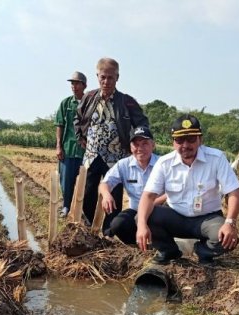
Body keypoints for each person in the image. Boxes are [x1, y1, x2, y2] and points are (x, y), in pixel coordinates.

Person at [136, 114, 239, 265]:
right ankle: (169, 251)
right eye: (179, 140)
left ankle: (203, 252)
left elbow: (234, 191)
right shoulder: (164, 163)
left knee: (227, 238)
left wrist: (230, 222)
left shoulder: (216, 158)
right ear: (173, 142)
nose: (185, 145)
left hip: (207, 218)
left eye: (191, 139)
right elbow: (148, 196)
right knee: (141, 217)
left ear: (200, 139)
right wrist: (141, 225)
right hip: (175, 216)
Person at [74, 57, 149, 229]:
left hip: (116, 157)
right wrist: (81, 138)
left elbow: (142, 124)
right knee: (88, 193)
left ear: (117, 78)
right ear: (97, 77)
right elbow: (77, 119)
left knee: (113, 195)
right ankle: (89, 228)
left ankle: (110, 230)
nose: (106, 81)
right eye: (103, 77)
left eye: (111, 77)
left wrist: (135, 145)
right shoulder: (89, 97)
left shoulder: (126, 101)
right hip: (91, 156)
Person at [99, 126, 166, 244]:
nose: (140, 148)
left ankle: (160, 244)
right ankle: (138, 246)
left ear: (153, 145)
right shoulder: (123, 164)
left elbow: (172, 192)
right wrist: (106, 194)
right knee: (118, 224)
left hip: (159, 209)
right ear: (130, 147)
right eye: (136, 144)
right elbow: (105, 183)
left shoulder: (163, 164)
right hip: (135, 211)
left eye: (145, 144)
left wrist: (148, 205)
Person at [54, 71, 87, 218]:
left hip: (84, 152)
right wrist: (59, 146)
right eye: (72, 83)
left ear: (84, 85)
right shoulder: (66, 103)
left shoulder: (90, 103)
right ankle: (66, 206)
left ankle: (83, 211)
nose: (73, 86)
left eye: (77, 83)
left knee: (85, 183)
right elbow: (59, 124)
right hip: (67, 148)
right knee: (65, 180)